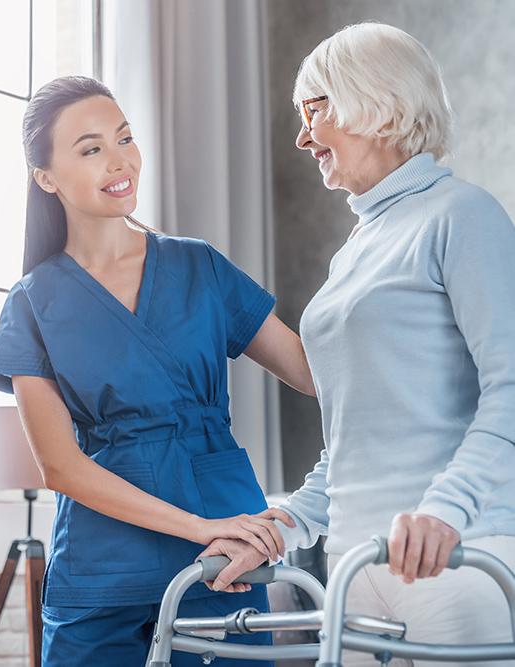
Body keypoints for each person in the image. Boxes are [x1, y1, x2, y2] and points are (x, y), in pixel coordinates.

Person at [198, 22, 515, 667]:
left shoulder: (462, 215)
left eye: (315, 109)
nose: (302, 136)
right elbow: (351, 443)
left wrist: (443, 513)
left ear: (379, 102)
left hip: (454, 556)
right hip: (352, 565)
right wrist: (286, 527)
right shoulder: (356, 252)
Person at [0, 75, 307, 666]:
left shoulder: (200, 266)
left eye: (124, 138)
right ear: (46, 177)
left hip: (223, 562)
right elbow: (60, 466)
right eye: (91, 148)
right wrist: (196, 526)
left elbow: (313, 374)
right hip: (105, 568)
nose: (120, 160)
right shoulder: (31, 303)